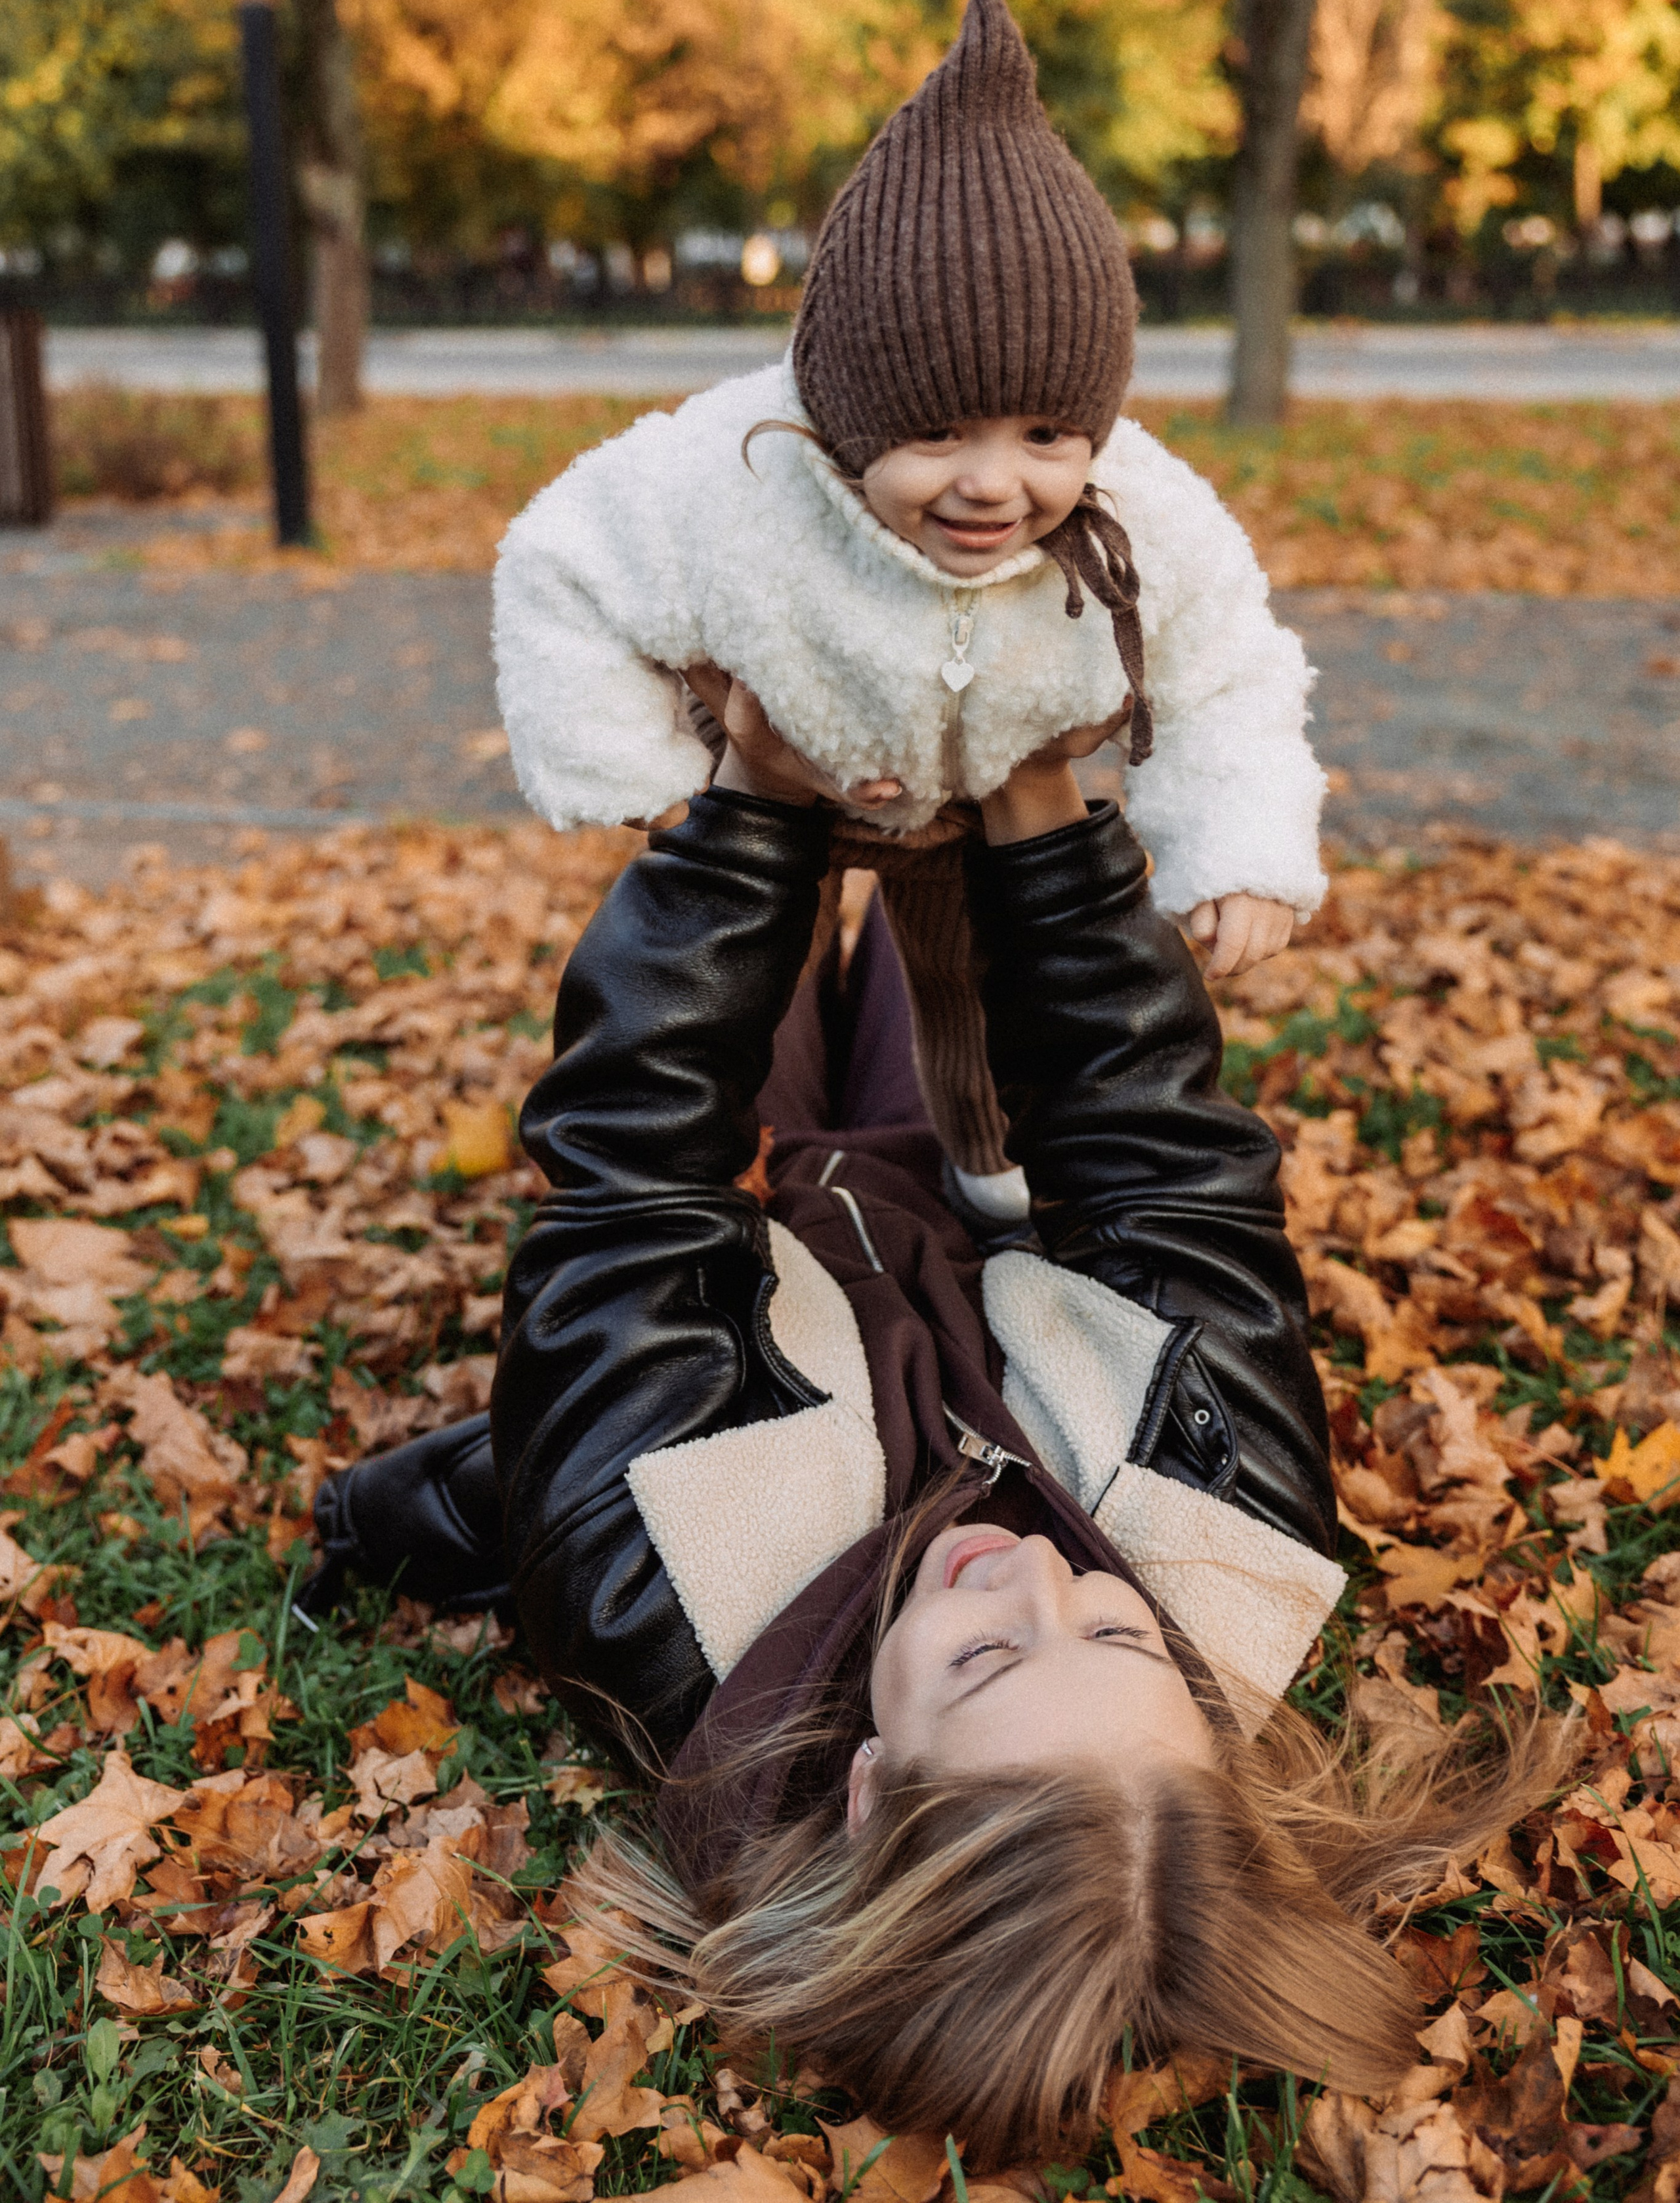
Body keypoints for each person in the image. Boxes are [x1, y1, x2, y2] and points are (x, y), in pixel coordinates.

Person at [310, 702, 1567, 2171]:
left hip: (741, 1224)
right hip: (984, 1177)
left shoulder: (649, 1588)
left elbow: (634, 1164)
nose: (1032, 1582)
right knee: (954, 832)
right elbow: (1159, 1161)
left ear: (864, 1789)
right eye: (1117, 1644)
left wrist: (761, 801)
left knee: (741, 873)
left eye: (981, 1663)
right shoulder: (1241, 1542)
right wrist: (1045, 807)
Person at [491, 0, 1327, 1232]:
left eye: (1048, 433)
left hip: (979, 808)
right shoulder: (735, 469)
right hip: (780, 786)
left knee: (964, 992)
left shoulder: (1144, 507)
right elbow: (559, 561)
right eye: (937, 434)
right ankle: (719, 1192)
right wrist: (641, 768)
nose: (995, 484)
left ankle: (988, 1185)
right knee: (745, 980)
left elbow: (1229, 671)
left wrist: (1244, 849)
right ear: (846, 411)